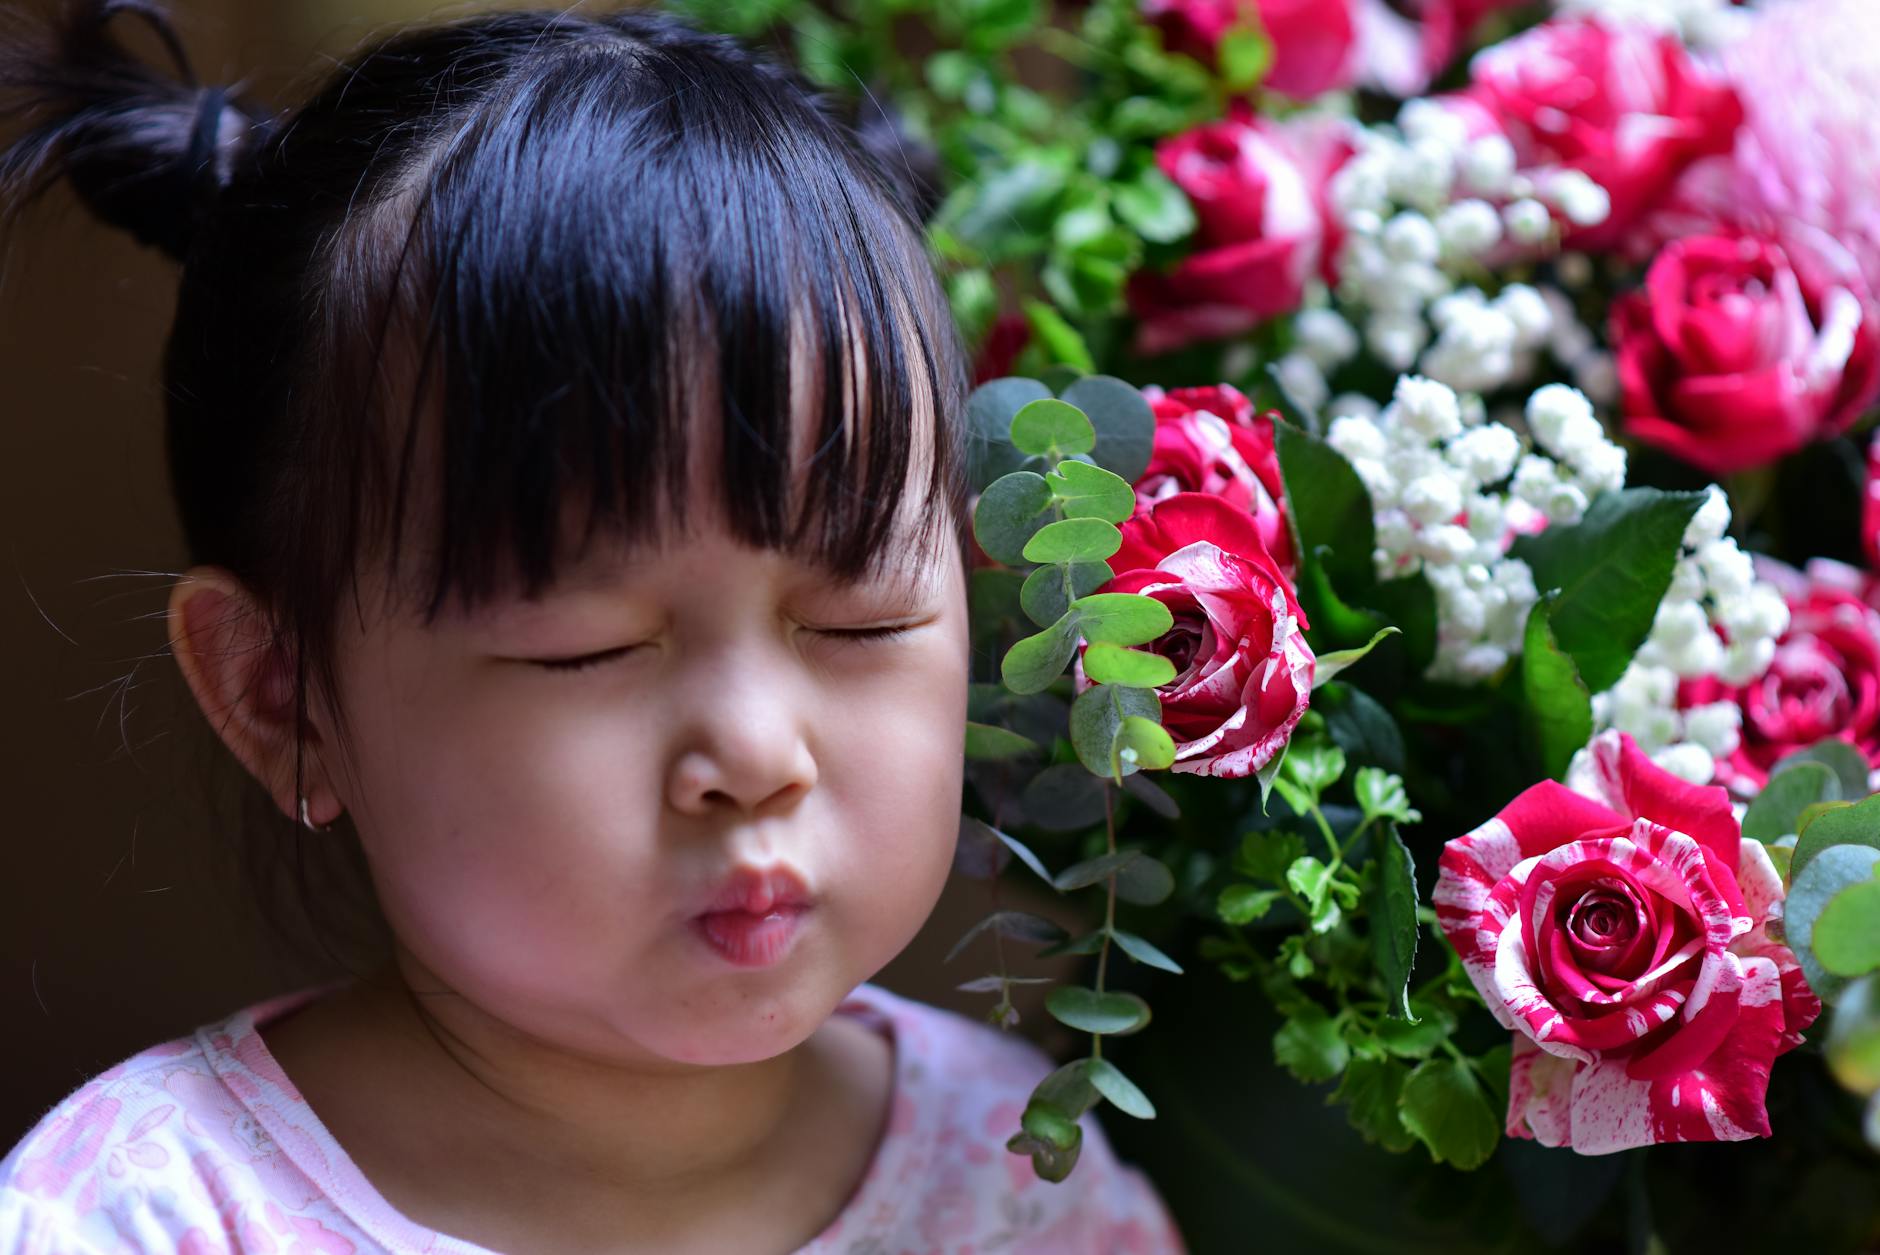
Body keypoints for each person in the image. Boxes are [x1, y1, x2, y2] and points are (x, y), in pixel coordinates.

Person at [0, 2, 1186, 1251]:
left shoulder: (1014, 1171)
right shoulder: (143, 1219)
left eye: (857, 616)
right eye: (589, 648)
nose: (754, 756)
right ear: (281, 691)